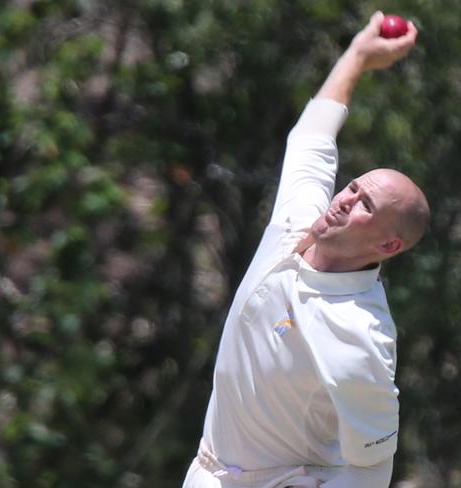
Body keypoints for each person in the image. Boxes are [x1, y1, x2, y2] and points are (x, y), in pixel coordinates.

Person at [183, 11, 428, 488]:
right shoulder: (299, 221)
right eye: (353, 188)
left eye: (365, 205)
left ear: (387, 244)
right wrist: (358, 55)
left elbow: (373, 465)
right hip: (208, 473)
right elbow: (312, 137)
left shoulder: (361, 332)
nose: (345, 200)